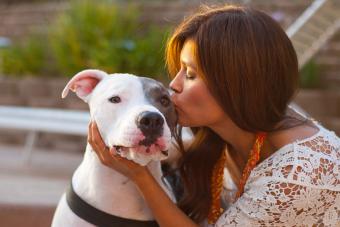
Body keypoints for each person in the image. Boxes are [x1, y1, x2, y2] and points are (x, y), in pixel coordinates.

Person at [88, 4, 340, 227]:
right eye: (177, 71)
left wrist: (140, 176)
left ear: (237, 83)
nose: (173, 85)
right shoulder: (225, 135)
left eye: (189, 74)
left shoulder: (300, 172)